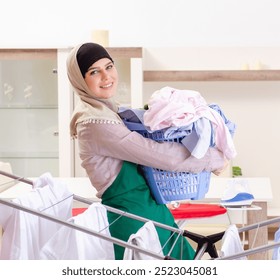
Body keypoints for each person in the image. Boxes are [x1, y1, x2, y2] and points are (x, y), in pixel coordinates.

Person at [66, 42, 227, 260]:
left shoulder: (108, 110)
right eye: (94, 71)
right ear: (80, 79)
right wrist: (213, 158)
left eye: (109, 66)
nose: (106, 76)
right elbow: (159, 155)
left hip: (150, 209)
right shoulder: (93, 122)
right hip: (131, 220)